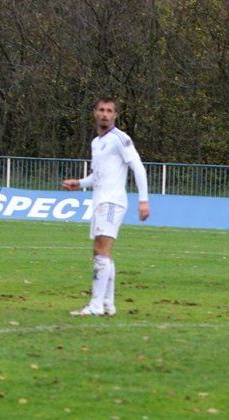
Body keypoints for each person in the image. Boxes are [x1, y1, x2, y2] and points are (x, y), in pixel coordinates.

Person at [62, 97, 150, 316]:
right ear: (95, 113)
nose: (105, 114)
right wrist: (80, 183)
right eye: (101, 110)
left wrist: (143, 199)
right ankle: (108, 305)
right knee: (102, 252)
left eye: (109, 110)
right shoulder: (96, 142)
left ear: (115, 115)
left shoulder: (120, 139)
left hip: (112, 202)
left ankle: (95, 305)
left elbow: (137, 167)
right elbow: (98, 175)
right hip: (100, 202)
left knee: (101, 251)